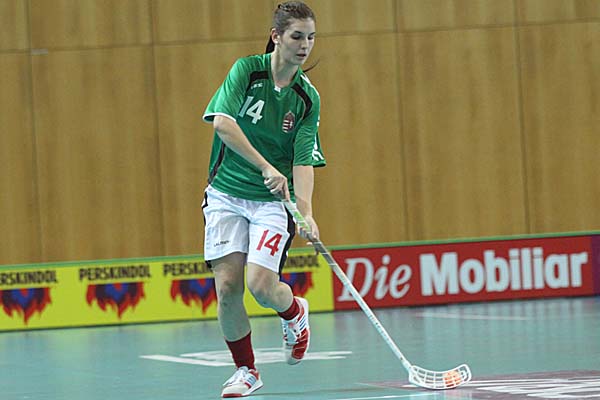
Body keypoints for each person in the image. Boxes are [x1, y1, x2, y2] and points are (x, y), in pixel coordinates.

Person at [201, 1, 325, 398]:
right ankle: (247, 371)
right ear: (276, 36)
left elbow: (303, 159)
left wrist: (306, 213)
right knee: (227, 287)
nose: (304, 45)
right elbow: (223, 124)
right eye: (297, 36)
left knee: (260, 285)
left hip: (272, 203)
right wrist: (266, 166)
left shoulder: (306, 98)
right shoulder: (246, 71)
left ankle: (294, 311)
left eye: (310, 37)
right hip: (226, 194)